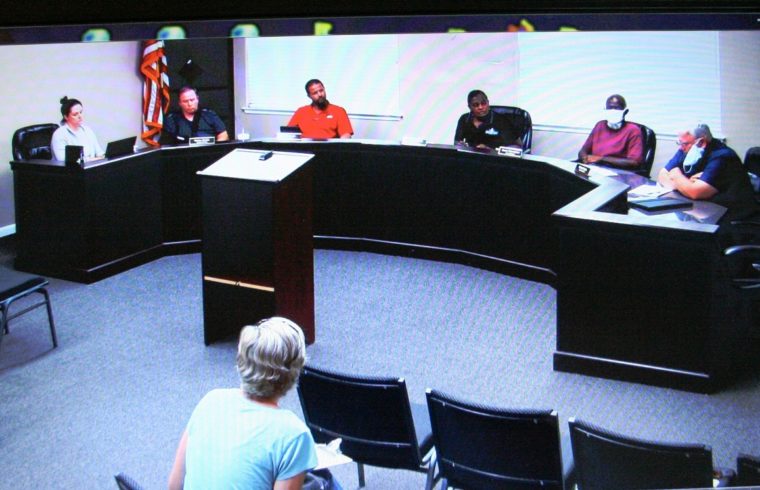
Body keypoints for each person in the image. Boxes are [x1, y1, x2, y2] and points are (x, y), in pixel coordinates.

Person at [168, 317, 318, 490]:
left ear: (243, 359)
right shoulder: (294, 435)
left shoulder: (211, 401)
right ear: (295, 369)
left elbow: (174, 486)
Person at [657, 123, 758, 220]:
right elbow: (661, 176)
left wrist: (676, 175)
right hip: (703, 209)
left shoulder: (722, 156)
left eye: (685, 144)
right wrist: (686, 183)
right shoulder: (686, 149)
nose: (681, 147)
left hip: (730, 215)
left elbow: (695, 192)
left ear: (701, 142)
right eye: (679, 143)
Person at [578, 94, 644, 170]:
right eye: (609, 108)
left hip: (617, 172)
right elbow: (583, 150)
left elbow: (634, 162)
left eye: (616, 108)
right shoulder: (600, 125)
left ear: (625, 112)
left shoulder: (633, 130)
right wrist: (584, 158)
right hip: (593, 168)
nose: (613, 111)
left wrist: (602, 159)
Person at [454, 90, 522, 150]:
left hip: (495, 160)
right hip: (471, 159)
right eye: (476, 105)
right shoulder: (464, 119)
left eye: (483, 103)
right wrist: (461, 145)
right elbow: (457, 143)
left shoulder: (500, 120)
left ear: (488, 103)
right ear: (469, 107)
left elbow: (517, 146)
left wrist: (490, 150)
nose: (480, 107)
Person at [288, 79, 353, 139]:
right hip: (305, 149)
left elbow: (346, 134)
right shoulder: (301, 111)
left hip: (329, 149)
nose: (320, 94)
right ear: (309, 96)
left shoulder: (339, 111)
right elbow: (288, 133)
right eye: (315, 93)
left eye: (321, 90)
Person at [162, 86, 229, 144]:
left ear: (197, 99)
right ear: (180, 103)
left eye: (192, 100)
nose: (189, 104)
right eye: (185, 101)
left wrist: (215, 148)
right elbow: (167, 143)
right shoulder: (172, 119)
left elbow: (223, 135)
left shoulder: (209, 115)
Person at [51, 96, 104, 161]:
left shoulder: (87, 130)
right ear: (66, 117)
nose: (80, 116)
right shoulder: (59, 134)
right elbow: (63, 160)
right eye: (75, 114)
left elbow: (100, 154)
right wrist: (92, 159)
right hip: (72, 170)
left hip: (91, 168)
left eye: (81, 112)